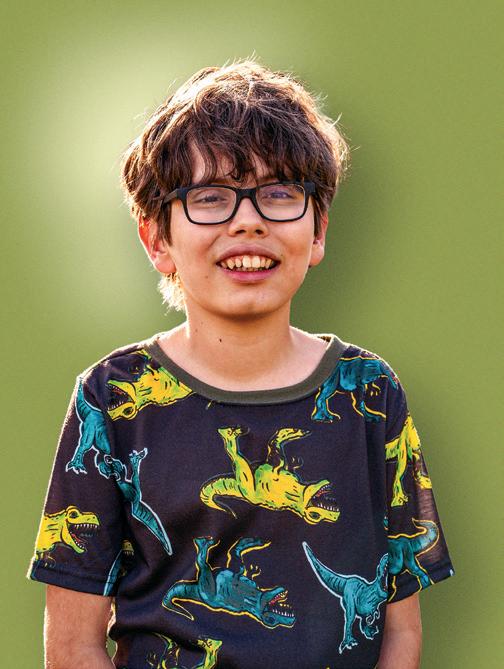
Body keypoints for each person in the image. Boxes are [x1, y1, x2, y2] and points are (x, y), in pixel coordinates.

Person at [27, 59, 454, 669]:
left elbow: (400, 628)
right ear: (157, 240)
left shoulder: (370, 392)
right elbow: (72, 645)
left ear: (318, 230)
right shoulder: (112, 397)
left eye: (279, 194)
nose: (248, 220)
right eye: (210, 198)